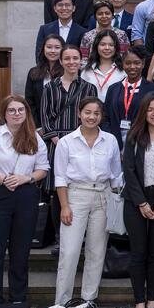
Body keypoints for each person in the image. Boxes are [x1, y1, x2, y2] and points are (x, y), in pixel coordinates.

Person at [0, 95, 50, 303]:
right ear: (4, 114)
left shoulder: (35, 138)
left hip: (26, 196)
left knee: (20, 252)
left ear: (26, 112)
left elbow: (43, 168)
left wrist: (27, 178)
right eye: (12, 110)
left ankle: (18, 301)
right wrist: (3, 178)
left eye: (20, 110)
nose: (17, 114)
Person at [53, 97, 124, 307]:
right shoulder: (66, 142)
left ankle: (88, 299)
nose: (92, 117)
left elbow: (116, 175)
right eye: (87, 112)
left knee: (96, 251)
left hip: (102, 195)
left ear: (101, 116)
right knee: (69, 252)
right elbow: (60, 177)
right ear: (79, 113)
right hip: (76, 196)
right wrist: (64, 206)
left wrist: (116, 203)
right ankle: (62, 302)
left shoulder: (110, 140)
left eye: (96, 113)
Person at [41, 47, 98, 252]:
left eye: (75, 58)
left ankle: (81, 236)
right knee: (59, 189)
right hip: (56, 142)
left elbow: (92, 116)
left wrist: (78, 141)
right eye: (67, 58)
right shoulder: (50, 87)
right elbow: (45, 118)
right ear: (61, 61)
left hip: (82, 142)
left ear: (81, 61)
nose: (71, 62)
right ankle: (60, 238)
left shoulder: (89, 88)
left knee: (79, 186)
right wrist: (59, 141)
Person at [121, 93, 154, 308]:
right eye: (150, 109)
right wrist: (141, 203)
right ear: (144, 112)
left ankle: (152, 299)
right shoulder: (134, 136)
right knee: (138, 252)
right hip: (135, 201)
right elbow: (128, 170)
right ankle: (139, 301)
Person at [104, 48, 154, 148]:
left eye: (137, 63)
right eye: (128, 63)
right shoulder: (113, 89)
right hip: (114, 141)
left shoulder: (151, 88)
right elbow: (106, 116)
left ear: (143, 64)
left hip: (141, 142)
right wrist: (110, 139)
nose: (132, 67)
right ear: (123, 64)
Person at [26, 34, 64, 129]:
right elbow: (30, 102)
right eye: (49, 47)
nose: (53, 51)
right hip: (39, 127)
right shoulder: (33, 72)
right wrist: (38, 127)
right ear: (43, 49)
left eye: (57, 47)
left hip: (63, 126)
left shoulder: (68, 73)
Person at [80, 30, 126, 102]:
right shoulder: (87, 71)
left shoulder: (123, 71)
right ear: (96, 46)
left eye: (111, 45)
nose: (107, 48)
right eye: (102, 44)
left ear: (116, 47)